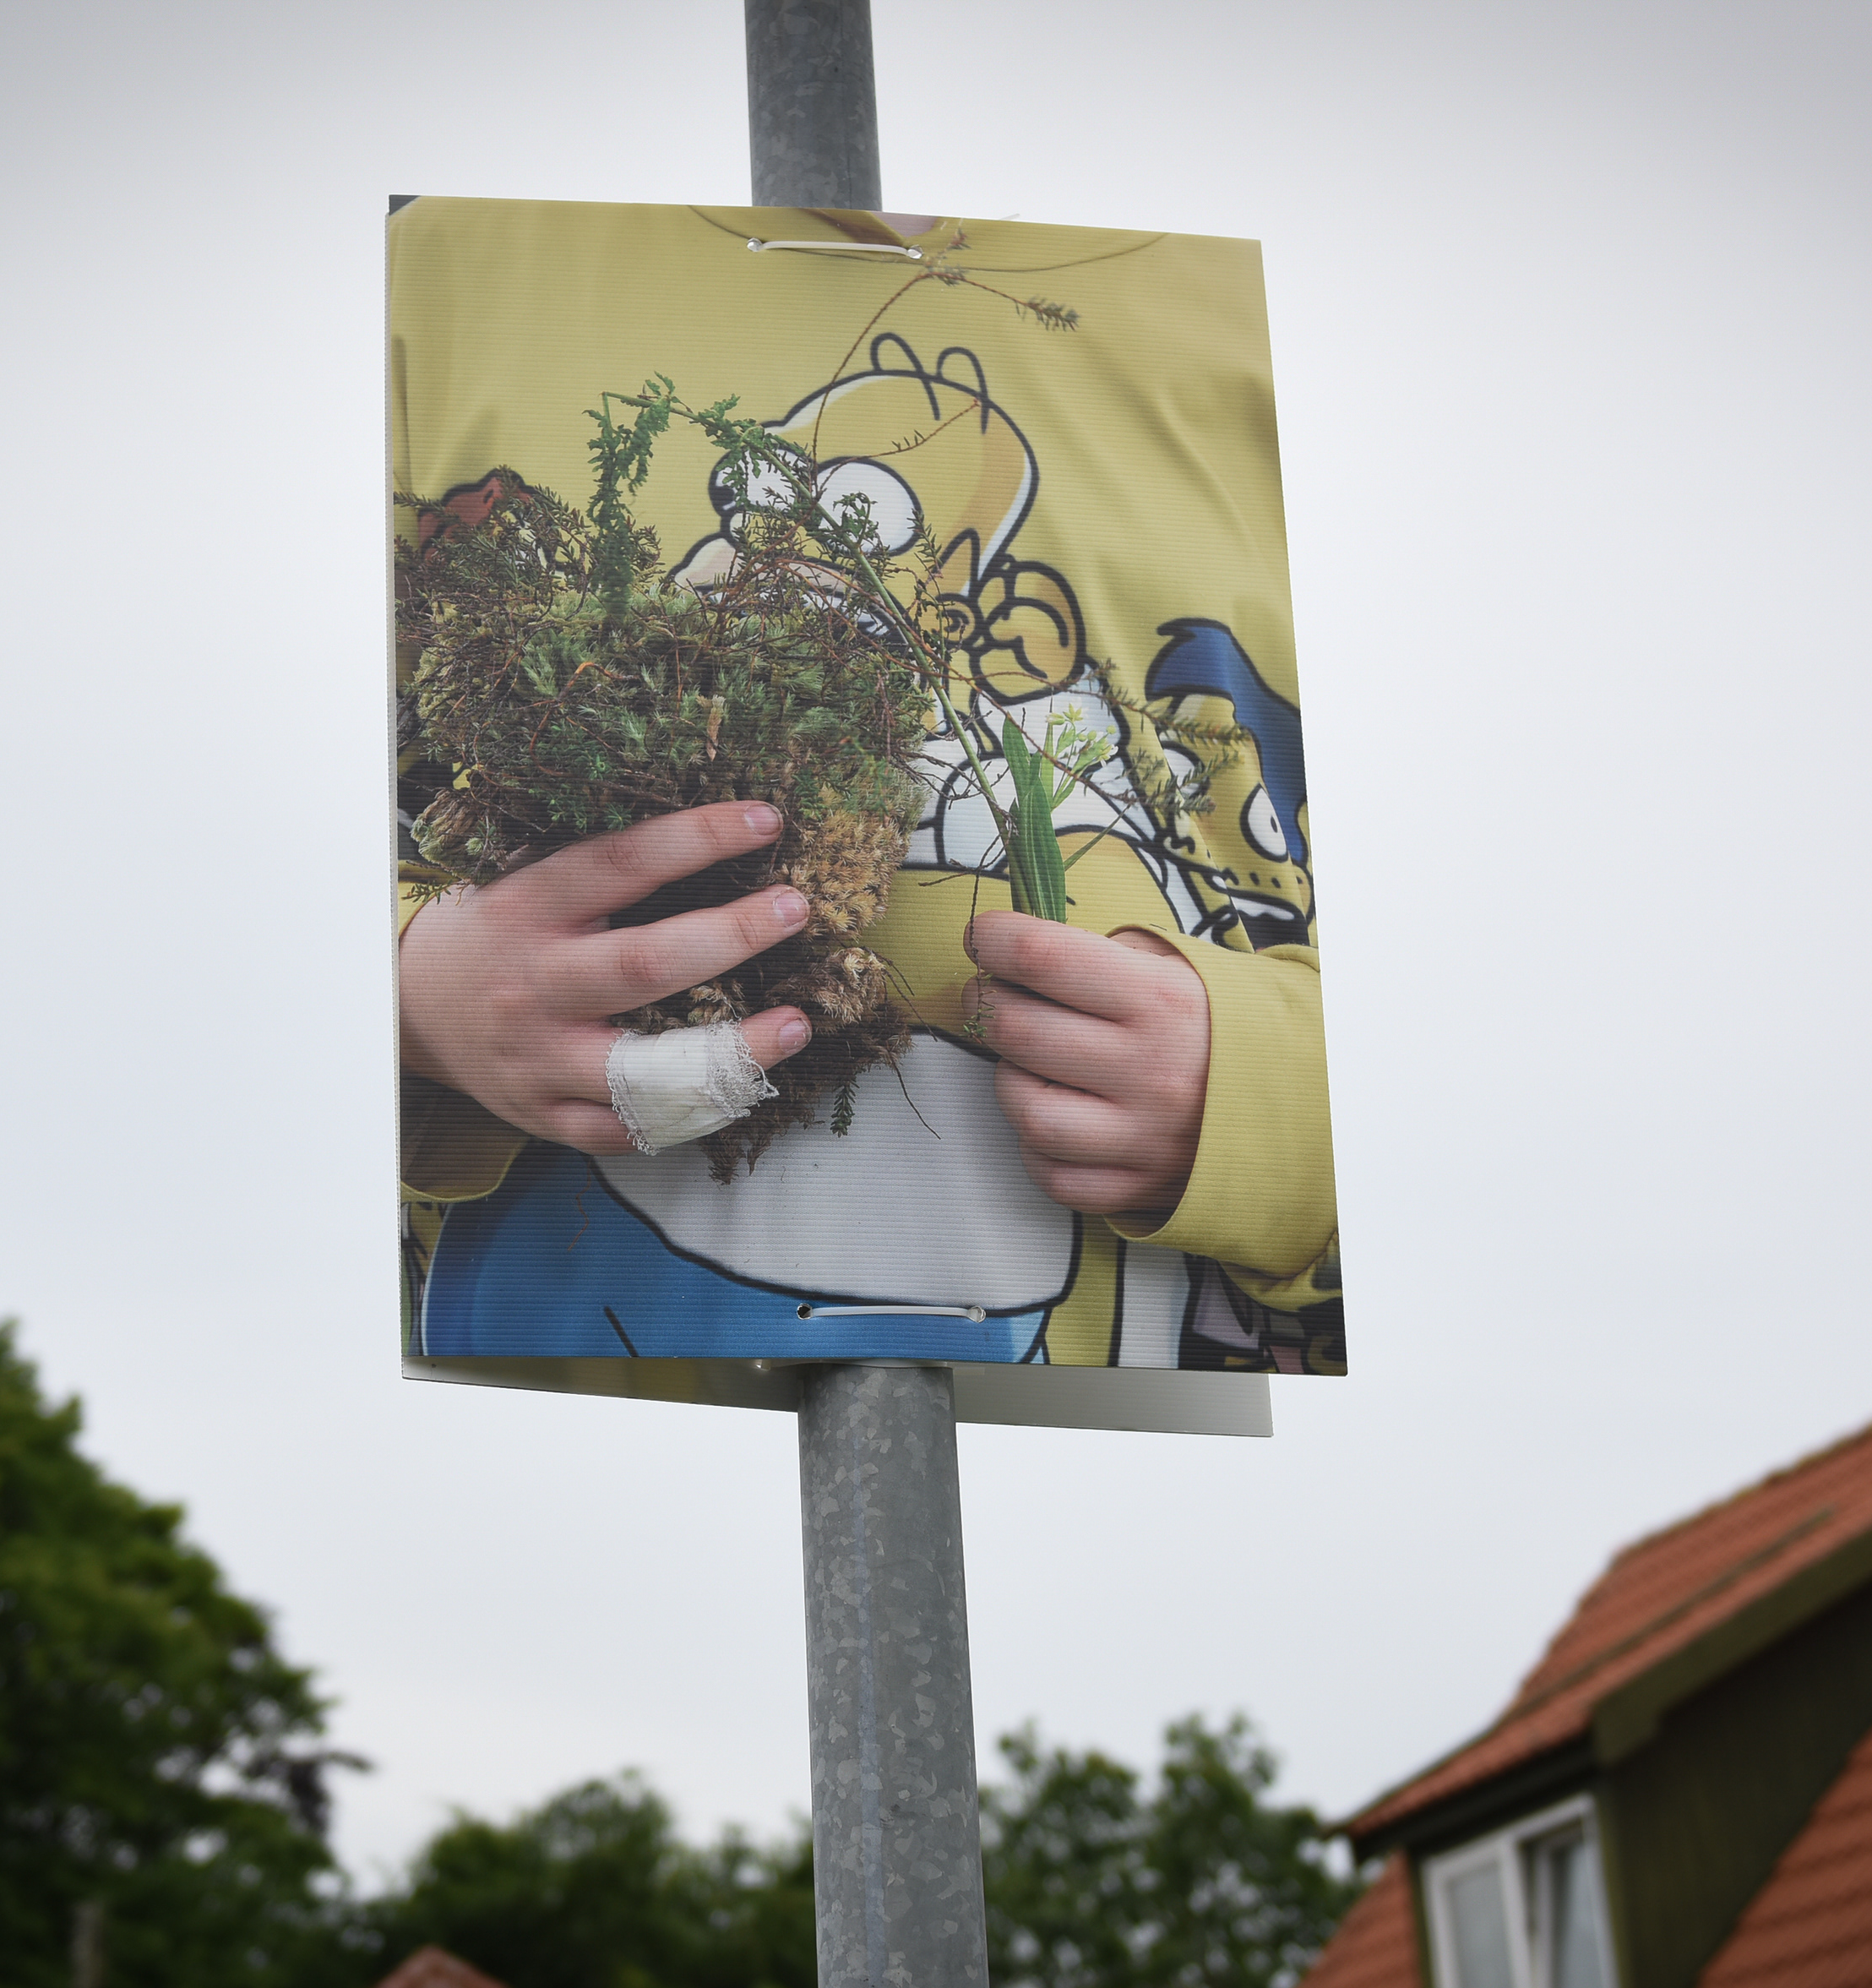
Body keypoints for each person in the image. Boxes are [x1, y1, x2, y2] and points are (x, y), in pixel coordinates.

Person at [391, 199, 1340, 1373]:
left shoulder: (1313, 312)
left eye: (858, 518)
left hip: (1127, 1415)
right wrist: (412, 1001)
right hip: (573, 1386)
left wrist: (1274, 1110)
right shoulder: (431, 282)